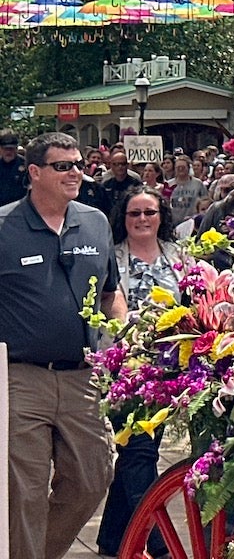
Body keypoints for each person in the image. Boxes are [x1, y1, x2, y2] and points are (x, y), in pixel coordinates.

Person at [0, 132, 126, 559]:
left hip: (83, 377)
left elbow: (112, 293)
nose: (76, 172)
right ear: (35, 173)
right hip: (20, 378)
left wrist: (125, 339)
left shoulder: (95, 221)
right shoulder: (4, 227)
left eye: (78, 164)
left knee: (93, 477)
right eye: (63, 166)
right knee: (25, 492)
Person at [96, 189, 186, 556]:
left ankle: (112, 540)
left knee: (134, 456)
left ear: (161, 215)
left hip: (173, 370)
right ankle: (159, 544)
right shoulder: (111, 257)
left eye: (150, 212)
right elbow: (106, 305)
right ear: (124, 217)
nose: (143, 219)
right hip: (127, 370)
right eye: (135, 213)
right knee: (139, 455)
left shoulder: (180, 257)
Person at [167, 153, 205, 223]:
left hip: (192, 223)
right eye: (178, 167)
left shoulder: (198, 184)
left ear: (188, 168)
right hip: (172, 223)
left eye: (183, 167)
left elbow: (205, 202)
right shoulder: (168, 185)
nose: (180, 169)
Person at [0, 129, 26, 205]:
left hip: (20, 208)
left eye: (11, 149)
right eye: (5, 149)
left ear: (16, 149)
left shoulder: (25, 165)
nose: (8, 152)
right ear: (0, 149)